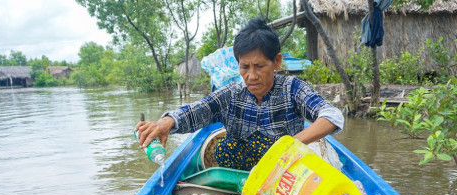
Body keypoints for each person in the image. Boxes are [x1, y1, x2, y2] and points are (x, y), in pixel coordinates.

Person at [135, 18, 344, 171]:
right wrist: (166, 123)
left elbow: (332, 116)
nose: (251, 76)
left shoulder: (292, 88)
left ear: (277, 62)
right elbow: (197, 110)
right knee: (224, 148)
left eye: (259, 66)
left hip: (284, 169)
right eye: (244, 67)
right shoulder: (232, 94)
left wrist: (291, 144)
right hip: (241, 171)